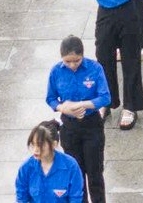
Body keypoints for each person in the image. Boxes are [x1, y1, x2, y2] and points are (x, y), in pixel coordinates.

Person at [84, 0, 143, 130]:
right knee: (104, 58)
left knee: (131, 60)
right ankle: (106, 102)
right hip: (106, 14)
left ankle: (130, 106)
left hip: (128, 13)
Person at [46, 35, 109, 203]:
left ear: (83, 55)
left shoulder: (94, 69)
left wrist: (84, 104)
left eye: (76, 60)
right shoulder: (56, 72)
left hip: (92, 126)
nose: (72, 65)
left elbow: (105, 97)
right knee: (76, 175)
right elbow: (51, 98)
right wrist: (63, 108)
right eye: (68, 61)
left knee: (95, 173)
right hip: (70, 127)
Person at [14, 120, 86, 203]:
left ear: (54, 144)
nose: (35, 150)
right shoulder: (25, 168)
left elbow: (75, 198)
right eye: (33, 144)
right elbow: (21, 198)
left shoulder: (71, 166)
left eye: (40, 145)